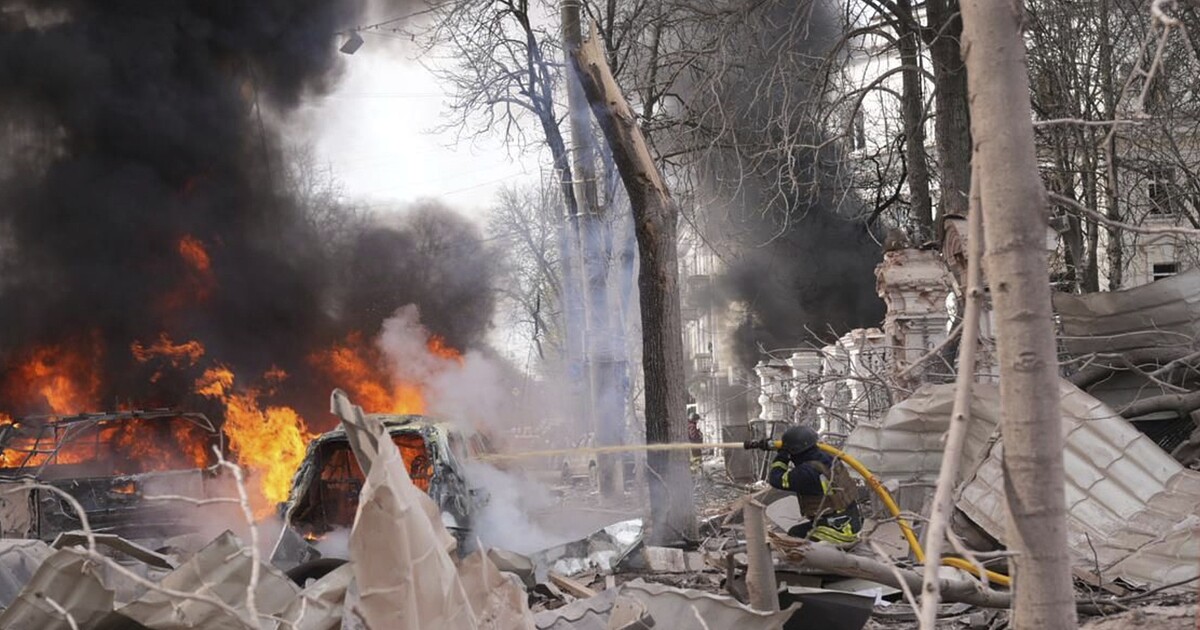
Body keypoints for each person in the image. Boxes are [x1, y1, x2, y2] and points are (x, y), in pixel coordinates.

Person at [766, 425, 862, 544]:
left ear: (795, 451)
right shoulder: (827, 457)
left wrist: (782, 457)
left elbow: (776, 479)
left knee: (795, 540)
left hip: (837, 530)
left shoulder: (807, 472)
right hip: (850, 522)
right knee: (797, 531)